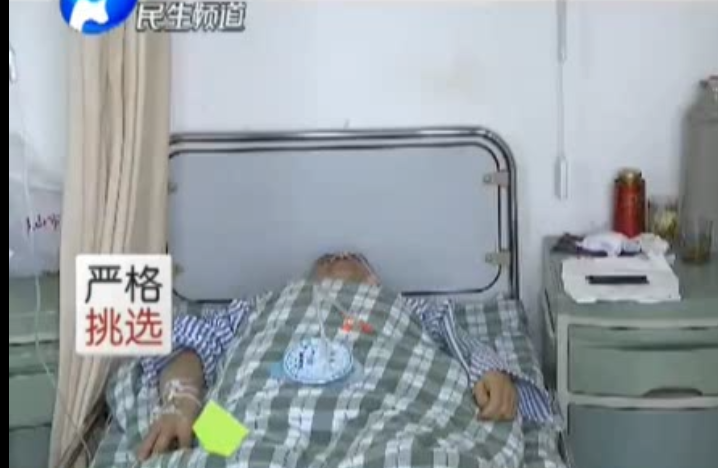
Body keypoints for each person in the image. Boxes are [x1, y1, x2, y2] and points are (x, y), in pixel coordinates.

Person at [136, 253, 553, 462]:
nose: (336, 259)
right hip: (260, 416)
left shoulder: (403, 307)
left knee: (412, 453)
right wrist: (180, 403)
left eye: (349, 259)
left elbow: (459, 339)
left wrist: (490, 372)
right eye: (326, 261)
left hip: (389, 416)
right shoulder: (267, 304)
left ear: (373, 281)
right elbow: (192, 344)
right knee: (224, 445)